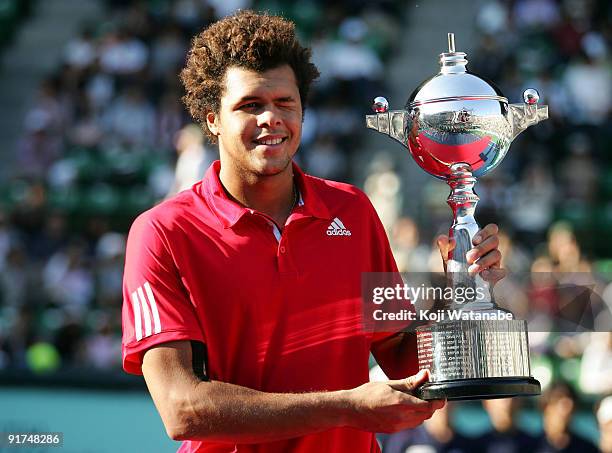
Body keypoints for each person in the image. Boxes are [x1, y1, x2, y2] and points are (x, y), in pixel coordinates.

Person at [121, 10, 505, 453]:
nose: (271, 118)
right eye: (250, 105)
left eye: (285, 103)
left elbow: (400, 353)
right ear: (212, 119)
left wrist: (460, 290)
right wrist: (346, 407)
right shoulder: (162, 232)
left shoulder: (353, 212)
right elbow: (182, 408)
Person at [533, 381, 599, 453]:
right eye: (558, 402)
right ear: (545, 407)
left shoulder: (587, 449)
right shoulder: (529, 447)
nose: (566, 410)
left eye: (570, 407)